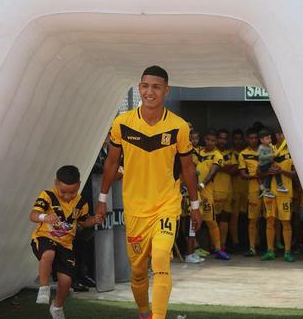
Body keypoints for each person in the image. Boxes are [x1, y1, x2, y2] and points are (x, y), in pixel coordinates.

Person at [95, 66, 202, 319]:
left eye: (156, 87)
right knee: (139, 271)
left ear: (166, 90)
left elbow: (187, 167)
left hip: (167, 204)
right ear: (139, 87)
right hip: (135, 209)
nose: (149, 92)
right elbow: (111, 163)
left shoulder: (178, 127)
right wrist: (102, 199)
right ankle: (144, 312)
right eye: (145, 86)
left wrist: (195, 205)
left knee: (162, 257)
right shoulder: (122, 123)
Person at [30, 165, 103, 319]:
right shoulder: (47, 195)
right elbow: (33, 215)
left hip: (65, 245)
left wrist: (95, 220)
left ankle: (57, 307)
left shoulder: (81, 203)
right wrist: (45, 217)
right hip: (44, 237)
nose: (68, 196)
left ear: (79, 185)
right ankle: (44, 288)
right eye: (63, 192)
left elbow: (84, 221)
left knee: (66, 281)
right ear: (56, 183)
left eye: (73, 192)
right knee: (48, 253)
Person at [260, 131, 297, 263]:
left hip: (285, 192)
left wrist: (281, 171)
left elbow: (296, 174)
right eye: (280, 133)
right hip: (269, 192)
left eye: (285, 134)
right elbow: (259, 171)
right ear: (276, 135)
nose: (282, 136)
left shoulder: (293, 150)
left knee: (286, 221)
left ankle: (287, 252)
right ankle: (270, 250)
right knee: (270, 220)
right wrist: (267, 171)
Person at [197, 129, 231, 260]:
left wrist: (202, 184)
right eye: (208, 140)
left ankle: (218, 249)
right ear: (204, 139)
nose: (210, 143)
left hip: (205, 193)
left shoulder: (217, 155)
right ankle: (193, 249)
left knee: (211, 221)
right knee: (190, 221)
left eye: (213, 141)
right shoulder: (198, 151)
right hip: (193, 192)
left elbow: (212, 173)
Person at [239, 128, 262, 257]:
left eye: (255, 138)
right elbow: (242, 174)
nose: (253, 140)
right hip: (253, 190)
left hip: (270, 189)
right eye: (251, 138)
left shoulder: (267, 150)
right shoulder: (243, 154)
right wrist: (256, 176)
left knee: (272, 219)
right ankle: (252, 247)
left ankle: (272, 247)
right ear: (247, 139)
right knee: (253, 219)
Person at [213, 129, 236, 253]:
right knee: (214, 218)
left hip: (228, 190)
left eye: (225, 138)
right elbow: (213, 168)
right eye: (220, 138)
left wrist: (220, 167)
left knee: (225, 217)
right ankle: (214, 245)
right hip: (215, 190)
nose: (222, 140)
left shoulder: (230, 153)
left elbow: (234, 170)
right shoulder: (213, 152)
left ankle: (223, 245)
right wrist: (225, 167)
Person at [229, 129, 247, 252]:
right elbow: (233, 171)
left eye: (240, 138)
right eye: (236, 138)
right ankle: (235, 242)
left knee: (246, 217)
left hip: (247, 188)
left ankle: (248, 242)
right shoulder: (230, 153)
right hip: (234, 189)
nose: (238, 141)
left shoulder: (246, 152)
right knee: (234, 217)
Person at [258, 129, 288, 197]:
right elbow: (261, 157)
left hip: (267, 164)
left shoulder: (269, 147)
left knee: (270, 174)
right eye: (267, 138)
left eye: (270, 138)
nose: (270, 140)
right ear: (262, 140)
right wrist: (271, 155)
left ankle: (267, 190)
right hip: (263, 165)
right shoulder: (261, 148)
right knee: (275, 169)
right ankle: (280, 185)